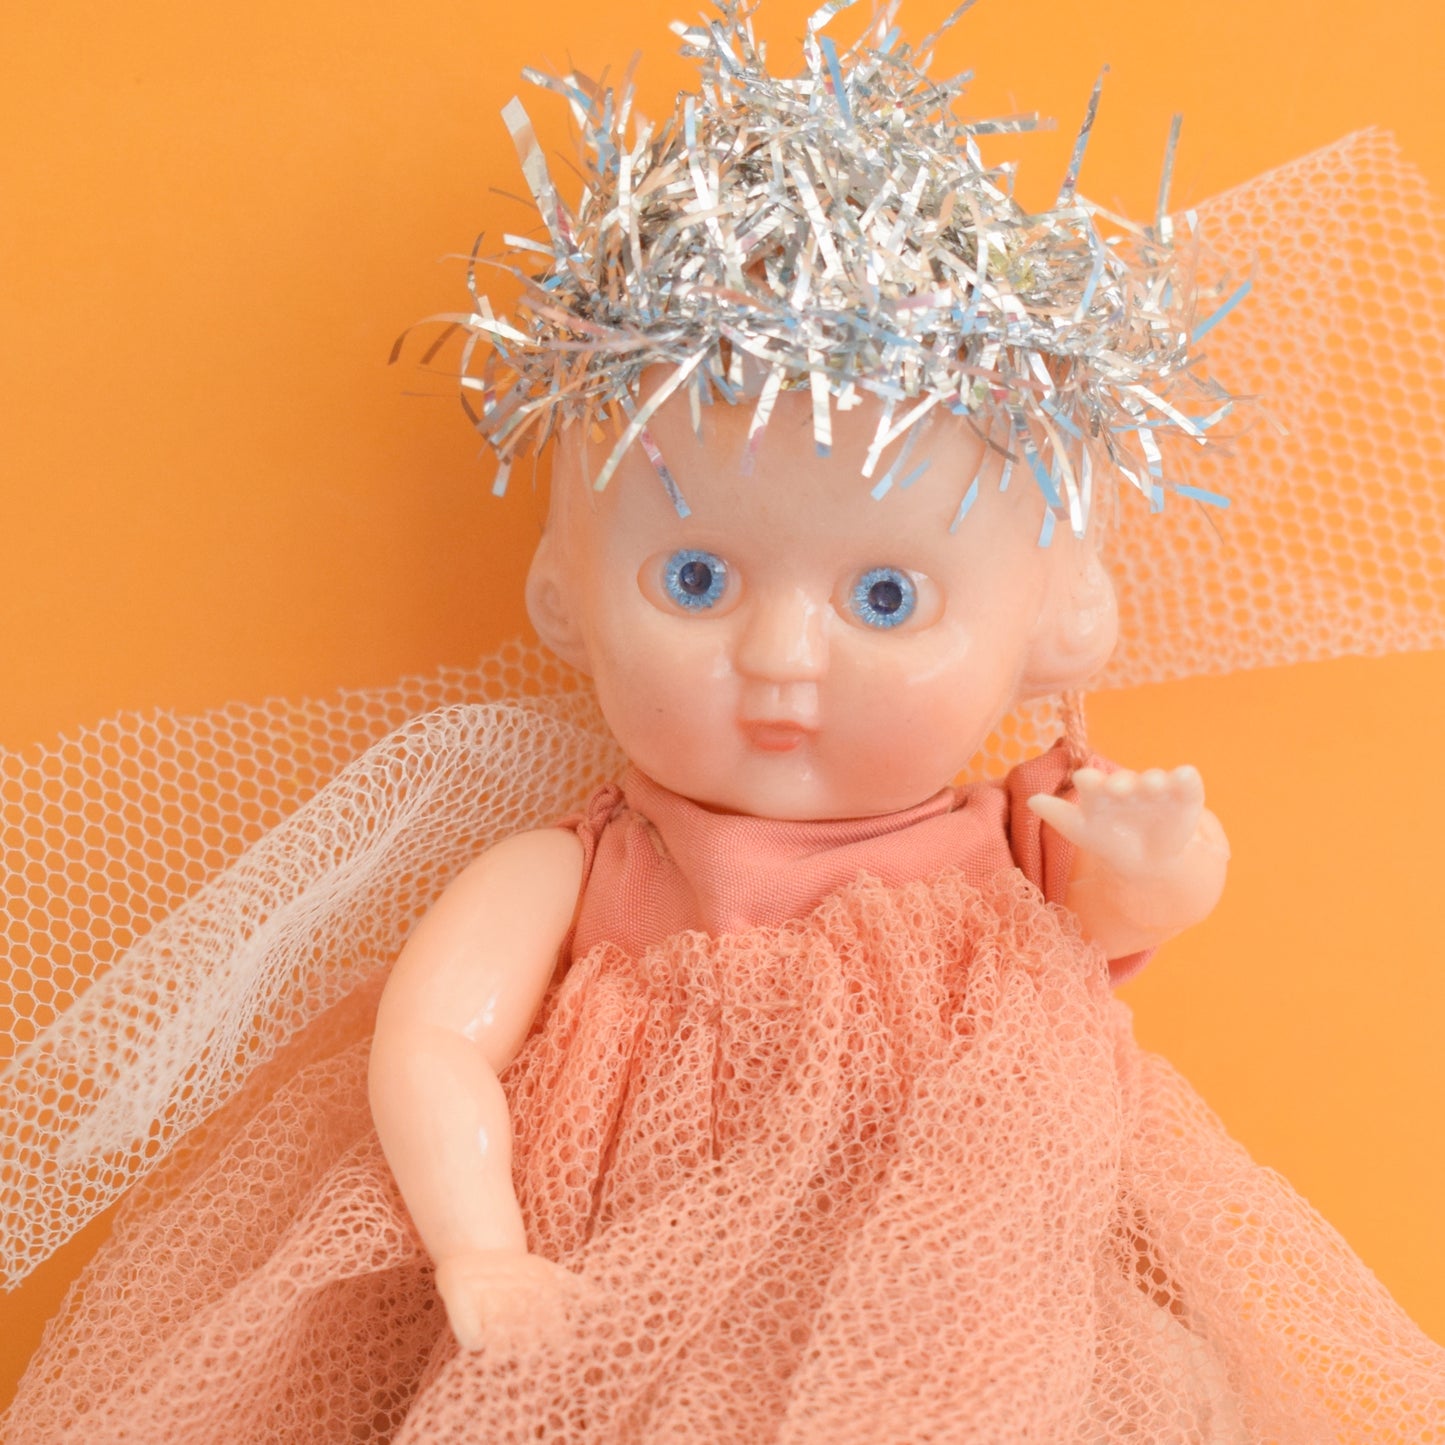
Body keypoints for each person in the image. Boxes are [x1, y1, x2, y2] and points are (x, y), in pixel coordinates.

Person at [4, 2, 1444, 1440]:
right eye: (694, 579)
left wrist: (1161, 860)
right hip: (622, 1324)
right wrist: (477, 1245)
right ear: (565, 595)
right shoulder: (584, 867)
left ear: (1054, 619)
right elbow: (430, 1043)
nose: (781, 657)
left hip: (956, 1332)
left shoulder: (1014, 843)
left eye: (886, 597)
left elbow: (1121, 925)